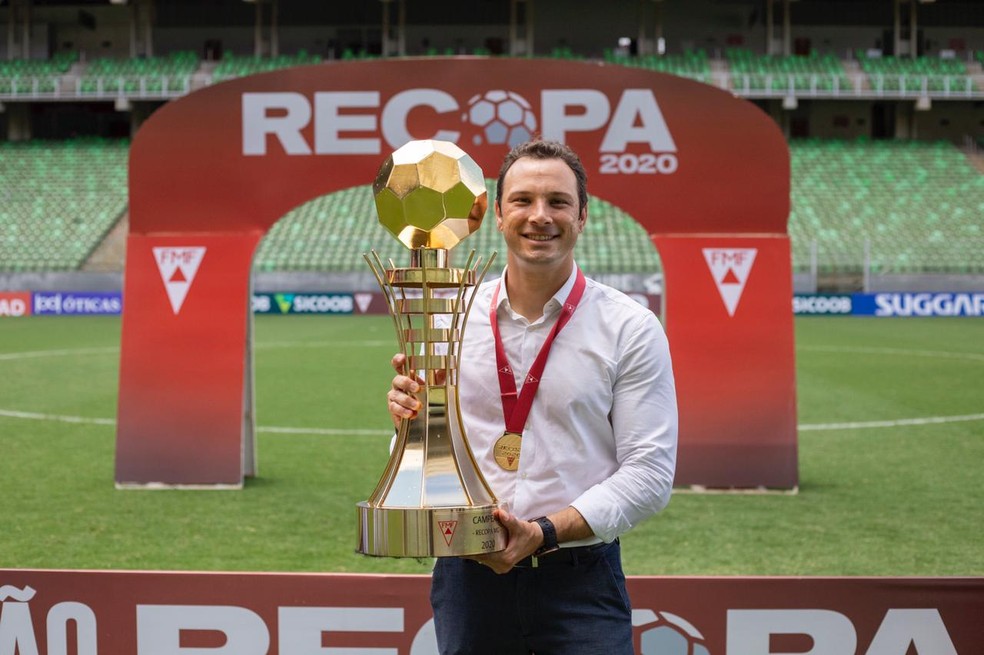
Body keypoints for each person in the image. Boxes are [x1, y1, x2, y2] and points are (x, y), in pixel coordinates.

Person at [386, 139, 678, 655]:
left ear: (582, 217)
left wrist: (541, 532)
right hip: (468, 578)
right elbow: (425, 463)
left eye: (558, 202)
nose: (539, 216)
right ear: (496, 214)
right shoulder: (448, 322)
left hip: (580, 580)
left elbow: (650, 473)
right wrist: (410, 430)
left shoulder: (629, 328)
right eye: (522, 200)